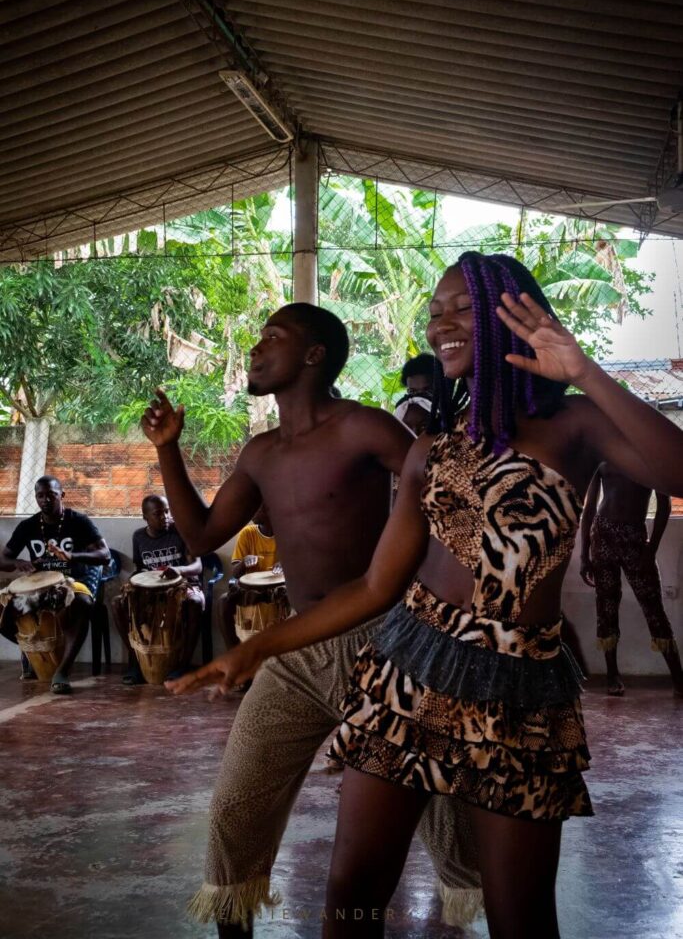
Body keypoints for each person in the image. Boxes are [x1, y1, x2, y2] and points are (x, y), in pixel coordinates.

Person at [172, 253, 683, 939]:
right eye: (433, 312)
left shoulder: (576, 425)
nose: (439, 324)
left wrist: (584, 369)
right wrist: (258, 648)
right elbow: (377, 586)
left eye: (459, 309)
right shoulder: (431, 449)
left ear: (513, 316)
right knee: (352, 894)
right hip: (406, 672)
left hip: (519, 689)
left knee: (519, 912)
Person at [144, 303, 480, 937]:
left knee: (442, 802)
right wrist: (169, 451)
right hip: (301, 643)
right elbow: (201, 536)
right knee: (238, 804)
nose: (255, 346)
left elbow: (442, 498)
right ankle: (232, 923)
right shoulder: (261, 453)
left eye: (273, 335)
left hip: (393, 640)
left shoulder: (365, 429)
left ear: (313, 355)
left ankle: (463, 909)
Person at [580, 462, 683, 696]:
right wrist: (584, 554)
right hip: (603, 534)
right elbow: (589, 508)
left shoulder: (647, 458)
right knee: (606, 607)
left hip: (634, 536)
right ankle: (612, 675)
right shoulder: (602, 456)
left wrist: (652, 548)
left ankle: (678, 678)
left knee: (653, 606)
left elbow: (664, 506)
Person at [0, 475, 110, 693]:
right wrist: (19, 562)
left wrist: (71, 556)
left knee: (83, 603)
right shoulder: (28, 526)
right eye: (40, 496)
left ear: (62, 495)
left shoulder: (78, 521)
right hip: (41, 586)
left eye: (51, 495)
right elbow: (3, 560)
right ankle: (34, 652)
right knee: (4, 612)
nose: (45, 500)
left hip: (74, 581)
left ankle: (62, 671)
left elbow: (105, 555)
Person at [112, 494, 204, 685]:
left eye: (167, 511)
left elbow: (197, 566)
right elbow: (140, 568)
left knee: (195, 602)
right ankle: (137, 661)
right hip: (152, 591)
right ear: (145, 516)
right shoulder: (138, 537)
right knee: (119, 602)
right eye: (158, 513)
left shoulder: (180, 531)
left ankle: (184, 664)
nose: (165, 516)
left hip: (184, 585)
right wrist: (131, 583)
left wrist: (177, 570)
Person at [217, 504, 281, 653]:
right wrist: (244, 562)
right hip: (252, 591)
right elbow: (235, 573)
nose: (249, 513)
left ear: (267, 510)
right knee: (223, 602)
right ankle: (234, 653)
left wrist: (285, 564)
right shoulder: (247, 533)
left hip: (279, 590)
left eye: (254, 509)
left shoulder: (285, 533)